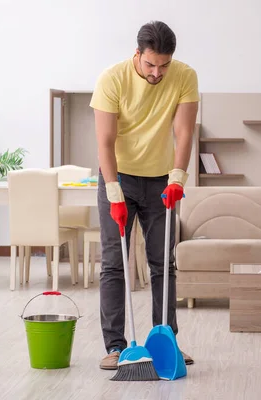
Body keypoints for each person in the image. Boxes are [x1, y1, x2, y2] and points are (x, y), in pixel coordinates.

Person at [89, 20, 199, 370]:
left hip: (161, 182)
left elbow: (183, 133)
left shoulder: (184, 76)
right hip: (118, 177)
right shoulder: (112, 78)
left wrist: (178, 178)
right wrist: (113, 191)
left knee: (162, 264)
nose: (157, 72)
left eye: (164, 65)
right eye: (151, 64)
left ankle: (166, 342)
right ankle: (115, 347)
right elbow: (105, 142)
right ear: (138, 54)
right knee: (114, 264)